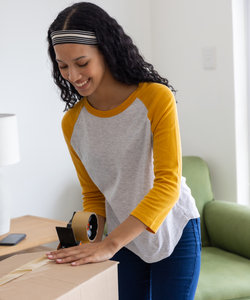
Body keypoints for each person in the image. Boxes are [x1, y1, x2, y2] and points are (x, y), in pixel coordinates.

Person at [45, 3, 201, 300]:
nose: (73, 75)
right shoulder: (72, 123)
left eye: (81, 63)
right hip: (125, 241)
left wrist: (108, 244)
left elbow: (168, 184)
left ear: (105, 50)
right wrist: (77, 242)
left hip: (174, 231)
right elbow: (93, 195)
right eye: (63, 66)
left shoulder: (155, 98)